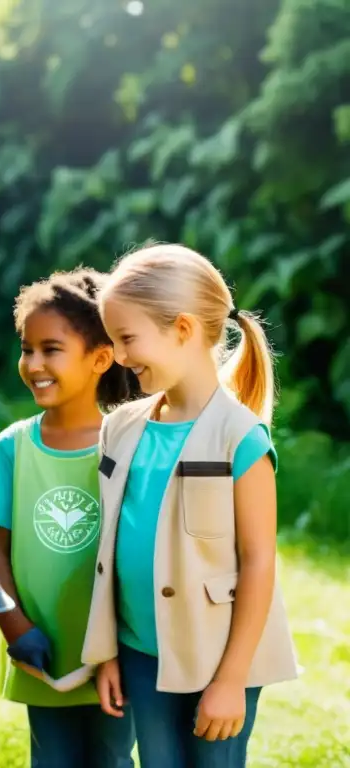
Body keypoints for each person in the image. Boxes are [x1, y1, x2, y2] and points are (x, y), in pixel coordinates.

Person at [83, 243, 299, 767]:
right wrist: (107, 650)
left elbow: (259, 562)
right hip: (140, 652)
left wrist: (231, 679)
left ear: (182, 329)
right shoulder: (120, 427)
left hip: (218, 660)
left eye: (128, 339)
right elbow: (109, 549)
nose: (121, 356)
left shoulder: (240, 438)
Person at [0, 268, 138, 767]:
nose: (34, 363)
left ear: (100, 359)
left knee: (112, 759)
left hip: (117, 656)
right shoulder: (12, 449)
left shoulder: (130, 445)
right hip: (43, 659)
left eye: (51, 349)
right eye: (27, 348)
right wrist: (16, 629)